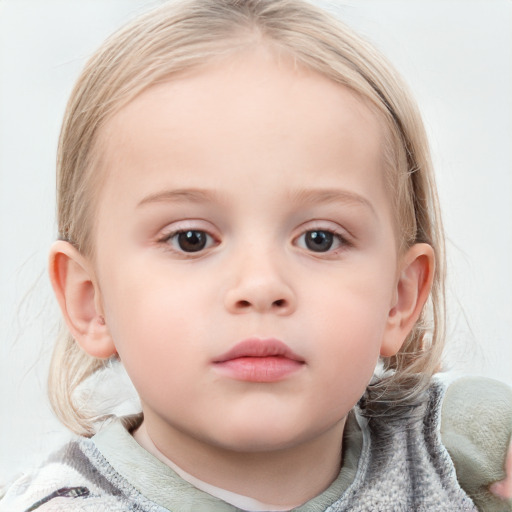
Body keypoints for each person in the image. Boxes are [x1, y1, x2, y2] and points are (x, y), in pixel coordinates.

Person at [1, 0, 511, 510]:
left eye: (320, 239)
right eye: (191, 239)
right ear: (91, 302)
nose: (261, 285)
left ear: (400, 298)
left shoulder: (458, 453)